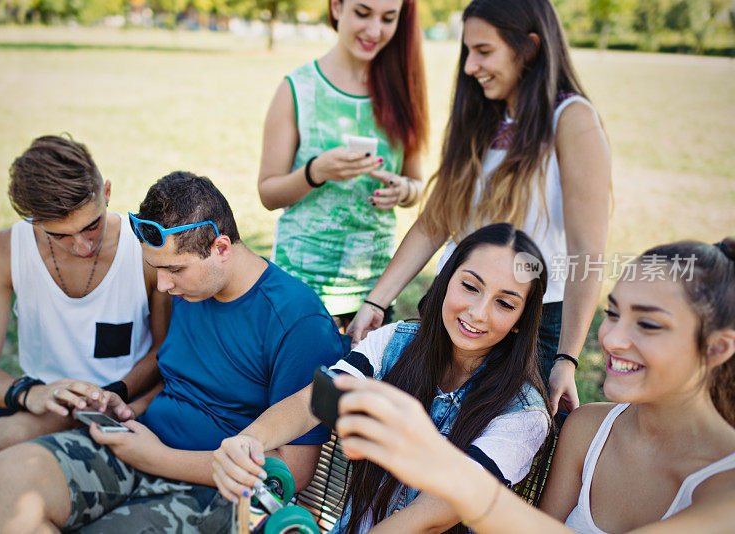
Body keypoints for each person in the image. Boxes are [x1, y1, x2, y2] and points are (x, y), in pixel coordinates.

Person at [0, 171, 346, 533]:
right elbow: (180, 376)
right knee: (7, 476)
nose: (163, 285)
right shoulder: (192, 288)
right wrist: (129, 408)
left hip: (216, 490)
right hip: (140, 445)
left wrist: (156, 457)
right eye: (156, 269)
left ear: (221, 248)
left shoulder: (297, 321)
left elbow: (293, 472)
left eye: (174, 270)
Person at [335, 238, 735, 533]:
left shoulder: (726, 486)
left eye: (647, 324)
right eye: (613, 314)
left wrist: (439, 463)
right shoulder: (588, 428)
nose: (611, 339)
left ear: (718, 347)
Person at [348, 0, 611, 416]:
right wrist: (376, 302)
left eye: (484, 51)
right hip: (452, 307)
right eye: (468, 52)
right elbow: (436, 220)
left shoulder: (571, 119)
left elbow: (588, 254)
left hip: (527, 324)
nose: (470, 66)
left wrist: (567, 358)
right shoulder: (484, 114)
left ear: (529, 48)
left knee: (488, 457)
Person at [212, 223, 551, 533]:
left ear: (522, 318)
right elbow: (313, 400)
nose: (478, 313)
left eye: (504, 304)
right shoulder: (396, 342)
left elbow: (435, 514)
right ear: (447, 279)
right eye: (470, 286)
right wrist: (250, 440)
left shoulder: (523, 413)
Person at [0, 135, 169, 510]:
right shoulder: (2, 251)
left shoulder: (143, 246)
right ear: (32, 219)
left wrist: (113, 394)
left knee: (2, 443)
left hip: (121, 406)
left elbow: (164, 352)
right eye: (59, 234)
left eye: (91, 226)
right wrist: (33, 394)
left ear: (106, 192)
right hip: (37, 402)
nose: (81, 246)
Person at [259, 0, 429, 330]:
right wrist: (315, 172)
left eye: (388, 18)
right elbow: (268, 193)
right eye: (363, 13)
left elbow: (417, 185)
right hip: (300, 289)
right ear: (337, 7)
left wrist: (403, 190)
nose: (375, 30)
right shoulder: (297, 89)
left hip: (373, 295)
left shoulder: (403, 92)